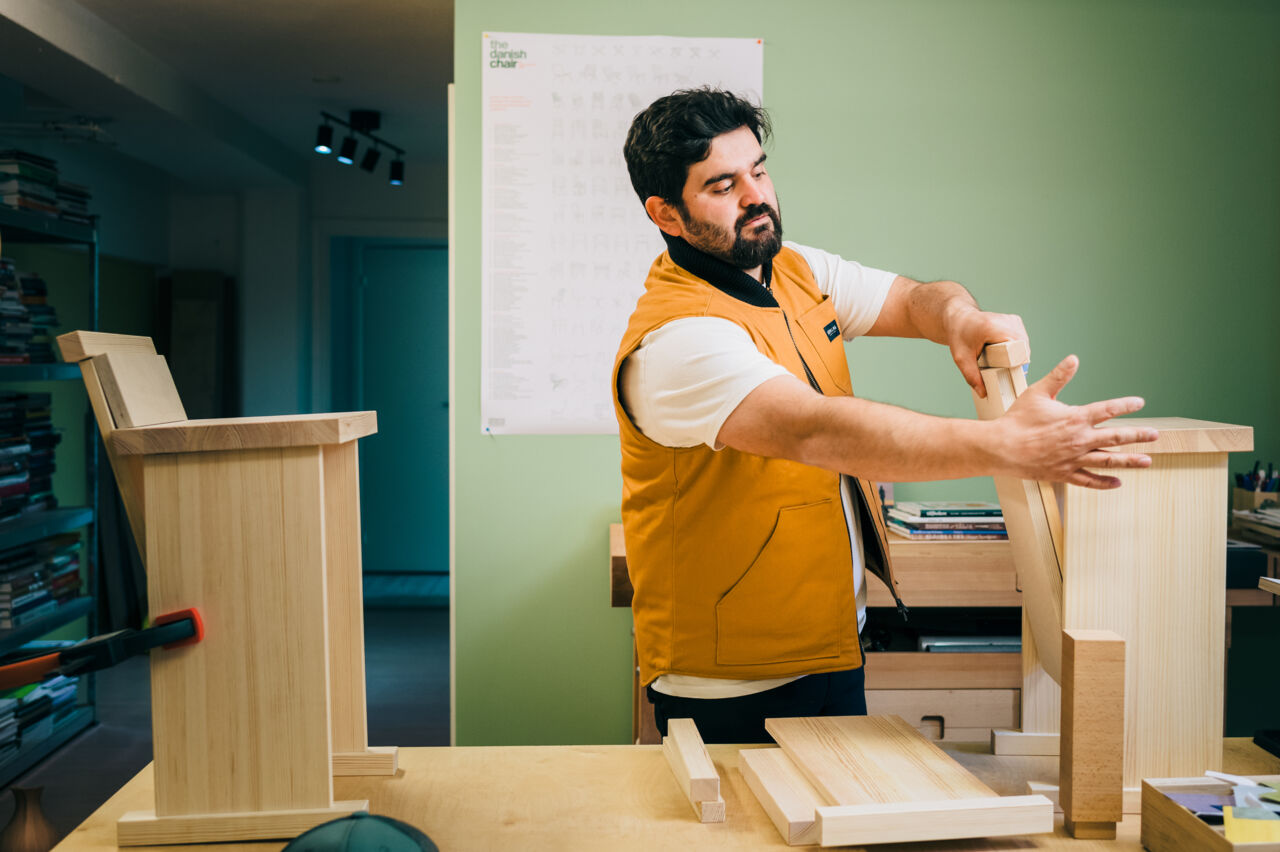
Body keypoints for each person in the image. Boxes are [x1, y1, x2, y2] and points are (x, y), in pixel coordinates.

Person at [612, 87, 1157, 744]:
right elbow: (818, 431)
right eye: (723, 186)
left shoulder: (793, 271)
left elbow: (913, 298)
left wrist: (960, 319)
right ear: (665, 213)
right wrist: (1003, 445)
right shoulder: (679, 340)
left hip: (831, 645)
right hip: (729, 682)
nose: (756, 196)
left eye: (758, 170)